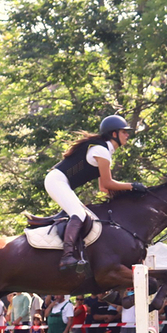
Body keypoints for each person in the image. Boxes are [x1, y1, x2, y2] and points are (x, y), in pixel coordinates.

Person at [44, 114, 145, 270]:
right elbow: (108, 183)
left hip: (60, 182)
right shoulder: (101, 151)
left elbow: (104, 188)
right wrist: (132, 186)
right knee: (80, 214)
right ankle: (67, 256)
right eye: (124, 131)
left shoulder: (103, 151)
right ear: (114, 134)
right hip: (57, 181)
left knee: (85, 214)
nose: (127, 135)